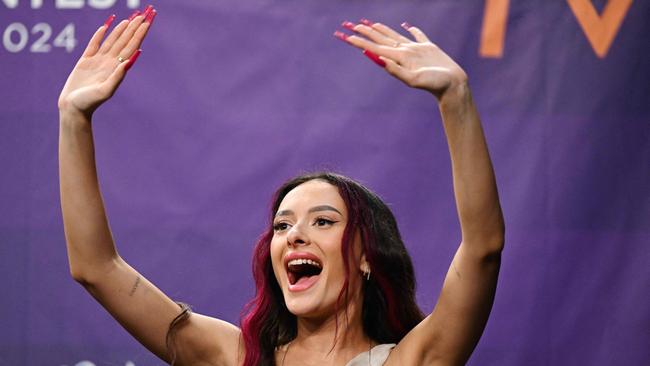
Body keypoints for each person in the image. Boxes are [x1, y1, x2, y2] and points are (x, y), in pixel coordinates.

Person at [58, 6, 504, 366]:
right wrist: (74, 120)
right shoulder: (234, 358)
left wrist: (455, 99)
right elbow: (96, 268)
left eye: (323, 221)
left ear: (368, 256)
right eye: (281, 225)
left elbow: (483, 247)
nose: (293, 235)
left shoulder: (410, 360)